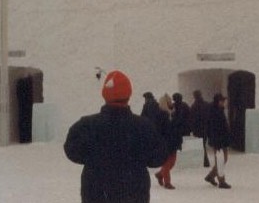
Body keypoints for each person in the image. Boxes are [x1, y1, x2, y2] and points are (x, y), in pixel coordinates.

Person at [64, 70, 167, 203]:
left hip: (96, 193)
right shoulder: (143, 126)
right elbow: (158, 157)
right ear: (128, 95)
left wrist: (95, 158)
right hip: (133, 194)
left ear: (105, 95)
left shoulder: (86, 125)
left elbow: (72, 151)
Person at [204, 93, 232, 189]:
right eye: (222, 101)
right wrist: (216, 140)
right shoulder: (214, 112)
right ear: (218, 101)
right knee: (220, 160)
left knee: (223, 159)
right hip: (218, 140)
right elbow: (214, 128)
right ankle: (221, 181)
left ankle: (211, 176)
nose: (224, 102)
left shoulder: (219, 110)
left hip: (222, 139)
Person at [153, 94, 181, 190]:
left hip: (174, 140)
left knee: (172, 162)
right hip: (166, 142)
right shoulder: (161, 115)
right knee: (167, 162)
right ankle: (167, 182)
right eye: (169, 101)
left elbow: (176, 126)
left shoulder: (173, 113)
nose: (171, 103)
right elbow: (160, 130)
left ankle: (160, 174)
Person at [190, 90, 211, 167]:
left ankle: (205, 161)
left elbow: (192, 119)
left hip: (198, 129)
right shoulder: (207, 105)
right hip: (206, 127)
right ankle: (205, 161)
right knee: (203, 144)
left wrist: (192, 129)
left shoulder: (193, 106)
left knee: (201, 145)